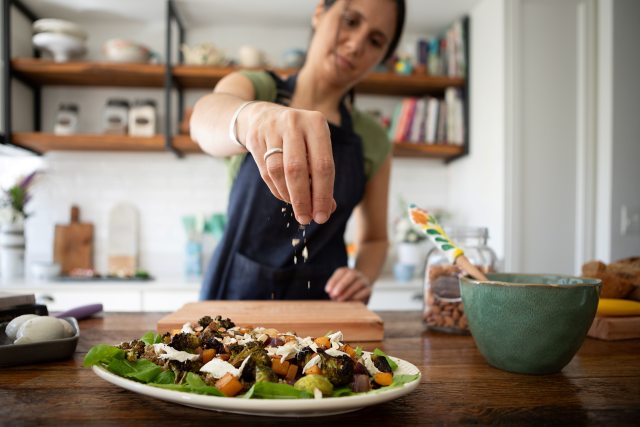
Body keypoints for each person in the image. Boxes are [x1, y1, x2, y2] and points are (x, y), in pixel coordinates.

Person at [191, 0, 406, 303]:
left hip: (325, 309)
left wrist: (362, 276)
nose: (356, 44)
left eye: (375, 41)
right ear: (320, 13)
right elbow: (203, 119)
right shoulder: (258, 88)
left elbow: (375, 239)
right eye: (351, 21)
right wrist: (251, 118)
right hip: (237, 297)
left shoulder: (372, 138)